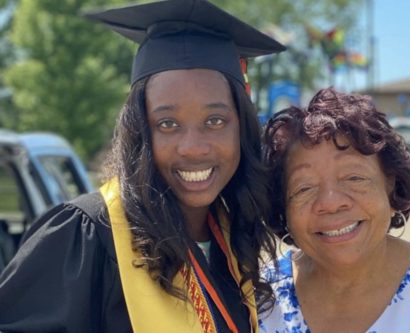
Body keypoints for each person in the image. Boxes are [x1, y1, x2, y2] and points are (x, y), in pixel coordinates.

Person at [0, 0, 285, 332]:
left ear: (242, 128)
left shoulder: (233, 239)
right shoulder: (87, 237)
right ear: (140, 131)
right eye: (167, 124)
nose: (192, 147)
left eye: (215, 120)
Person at [258, 87, 410, 333]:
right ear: (283, 207)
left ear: (390, 184)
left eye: (354, 177)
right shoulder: (260, 298)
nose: (330, 203)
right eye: (304, 188)